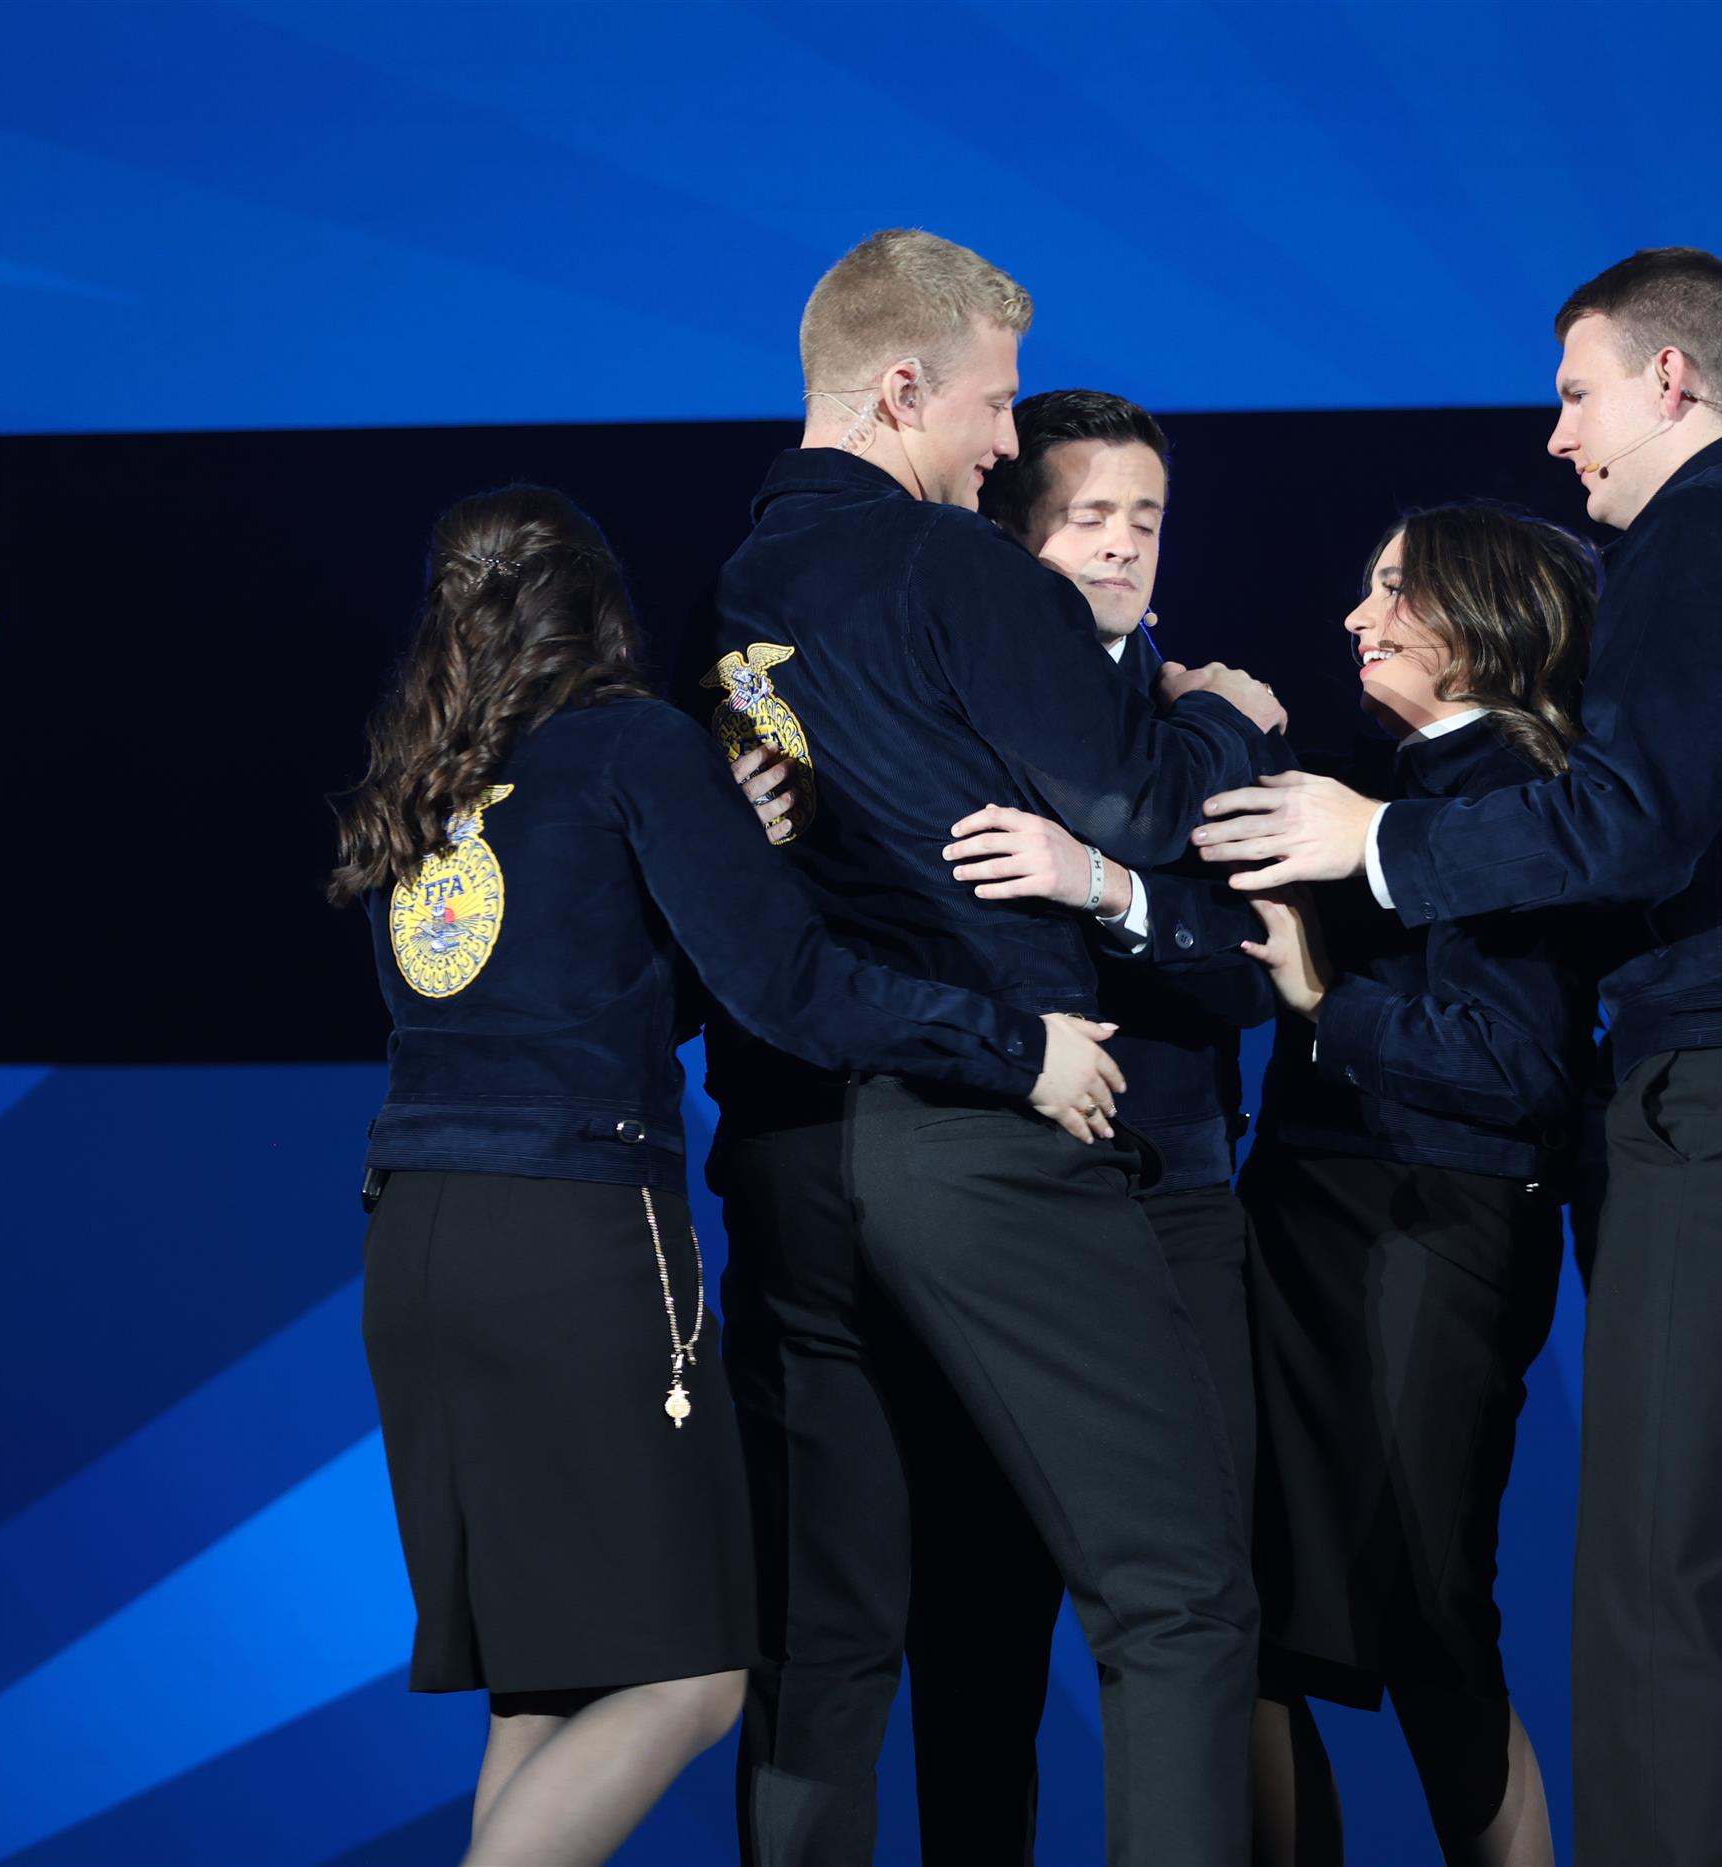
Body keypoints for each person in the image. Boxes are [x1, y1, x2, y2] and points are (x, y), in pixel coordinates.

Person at [1193, 247, 1722, 1865]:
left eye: (1575, 393)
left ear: (1671, 380)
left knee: (1664, 1586)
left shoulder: (1717, 523)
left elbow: (1632, 820)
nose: (1559, 437)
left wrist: (1374, 840)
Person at [327, 485, 1124, 1866]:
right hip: (569, 1248)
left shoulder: (433, 786)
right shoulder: (635, 743)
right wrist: (1019, 1047)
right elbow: (793, 988)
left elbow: (588, 994)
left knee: (547, 1682)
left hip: (412, 1247)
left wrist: (716, 844)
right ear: (600, 610)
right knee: (690, 1675)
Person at [680, 231, 1285, 1867]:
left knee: (827, 1636)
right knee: (1178, 1594)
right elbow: (1140, 803)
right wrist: (1224, 714)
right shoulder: (957, 567)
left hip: (798, 1151)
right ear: (902, 387)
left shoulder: (730, 598)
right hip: (994, 1132)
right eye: (996, 405)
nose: (1006, 444)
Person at [851, 388, 1279, 1862]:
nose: (1120, 547)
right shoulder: (949, 709)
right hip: (1006, 1194)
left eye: (1144, 519)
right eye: (1088, 516)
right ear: (1012, 537)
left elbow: (1246, 969)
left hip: (1179, 1196)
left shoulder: (1207, 717)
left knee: (1200, 1596)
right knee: (977, 1616)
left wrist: (1106, 884)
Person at [1238, 504, 1606, 1867]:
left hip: (1431, 1230)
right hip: (1307, 1221)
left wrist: (1321, 1000)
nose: (1359, 615)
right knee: (1260, 1613)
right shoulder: (1382, 778)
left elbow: (1516, 1067)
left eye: (1395, 588)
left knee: (1429, 1613)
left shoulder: (1522, 797)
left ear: (1485, 615)